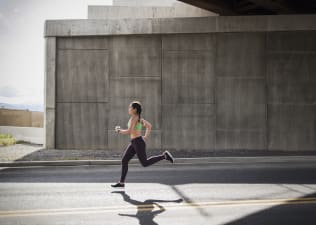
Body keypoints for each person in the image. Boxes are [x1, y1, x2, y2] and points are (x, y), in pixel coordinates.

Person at [111, 101, 174, 188]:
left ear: (134, 109)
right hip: (134, 142)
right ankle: (121, 182)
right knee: (124, 160)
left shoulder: (135, 118)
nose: (128, 109)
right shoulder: (138, 118)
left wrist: (119, 130)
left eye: (130, 107)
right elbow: (149, 126)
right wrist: (145, 137)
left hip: (138, 142)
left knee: (145, 163)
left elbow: (129, 131)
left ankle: (164, 156)